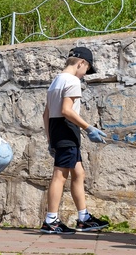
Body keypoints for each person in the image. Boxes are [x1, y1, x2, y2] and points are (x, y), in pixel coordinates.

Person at [41, 46, 108, 234]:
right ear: (81, 63)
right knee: (59, 175)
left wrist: (50, 139)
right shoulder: (72, 80)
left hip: (57, 130)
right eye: (86, 70)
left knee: (78, 174)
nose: (84, 75)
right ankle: (51, 220)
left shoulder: (55, 81)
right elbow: (67, 110)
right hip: (67, 130)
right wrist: (88, 128)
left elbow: (46, 114)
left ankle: (83, 218)